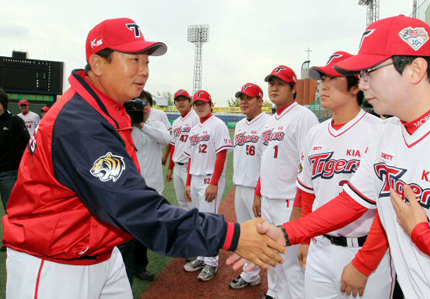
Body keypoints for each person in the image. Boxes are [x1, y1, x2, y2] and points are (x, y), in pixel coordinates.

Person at [2, 17, 285, 299]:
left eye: (146, 61)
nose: (144, 70)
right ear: (98, 64)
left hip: (96, 247)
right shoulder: (81, 122)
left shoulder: (106, 108)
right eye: (133, 59)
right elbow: (136, 209)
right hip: (55, 260)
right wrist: (231, 235)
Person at [229, 15, 430, 298]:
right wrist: (286, 233)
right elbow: (350, 202)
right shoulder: (388, 132)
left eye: (370, 71)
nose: (363, 83)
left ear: (416, 70)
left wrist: (424, 236)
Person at [295, 51, 394, 298]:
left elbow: (388, 209)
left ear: (356, 86)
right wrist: (306, 240)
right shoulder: (314, 134)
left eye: (332, 78)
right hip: (320, 248)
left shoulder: (381, 132)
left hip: (367, 251)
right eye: (322, 80)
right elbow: (308, 194)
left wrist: (365, 263)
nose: (323, 86)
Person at [254, 65, 319, 299]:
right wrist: (259, 192)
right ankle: (274, 293)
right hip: (270, 198)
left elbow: (309, 167)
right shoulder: (271, 121)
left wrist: (300, 209)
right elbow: (265, 159)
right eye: (271, 83)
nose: (274, 88)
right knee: (272, 255)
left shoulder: (304, 117)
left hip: (290, 200)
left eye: (280, 83)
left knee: (291, 263)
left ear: (293, 89)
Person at [183, 90, 233, 281]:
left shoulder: (218, 125)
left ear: (211, 104)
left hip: (209, 179)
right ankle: (202, 257)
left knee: (209, 221)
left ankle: (211, 262)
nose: (200, 106)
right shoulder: (195, 129)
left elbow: (221, 155)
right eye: (197, 103)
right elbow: (190, 158)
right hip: (195, 178)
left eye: (203, 103)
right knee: (198, 220)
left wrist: (214, 182)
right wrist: (188, 182)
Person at [229, 83, 270, 290]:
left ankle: (277, 286)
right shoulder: (239, 125)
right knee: (245, 235)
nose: (243, 101)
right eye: (241, 97)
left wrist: (259, 192)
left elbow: (268, 162)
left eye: (249, 98)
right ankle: (250, 273)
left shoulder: (269, 123)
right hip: (240, 185)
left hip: (258, 189)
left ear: (260, 100)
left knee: (266, 235)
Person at [130, 90, 171, 282]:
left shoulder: (156, 124)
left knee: (145, 227)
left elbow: (166, 139)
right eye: (137, 104)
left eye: (145, 104)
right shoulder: (124, 126)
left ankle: (139, 266)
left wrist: (141, 125)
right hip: (129, 186)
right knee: (125, 227)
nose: (142, 108)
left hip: (152, 185)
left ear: (150, 106)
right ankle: (125, 265)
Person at [0, 89, 30, 251]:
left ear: (3, 104)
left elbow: (27, 144)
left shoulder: (14, 121)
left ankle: (13, 240)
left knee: (12, 208)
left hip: (9, 172)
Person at [166, 89, 199, 210]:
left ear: (190, 101)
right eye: (178, 100)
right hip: (177, 167)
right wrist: (170, 168)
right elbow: (174, 145)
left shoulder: (195, 118)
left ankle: (197, 227)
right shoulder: (176, 122)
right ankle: (187, 227)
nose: (180, 103)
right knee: (181, 201)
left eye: (183, 99)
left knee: (192, 200)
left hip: (189, 166)